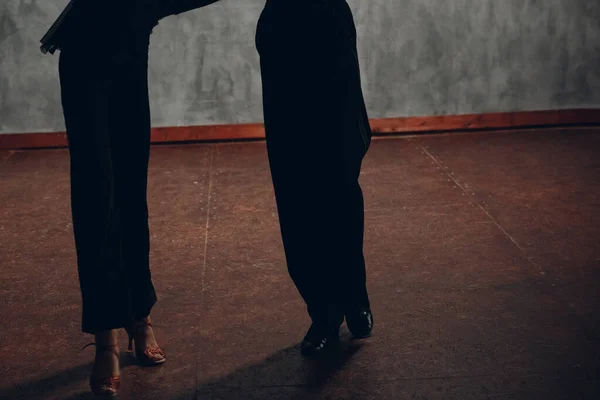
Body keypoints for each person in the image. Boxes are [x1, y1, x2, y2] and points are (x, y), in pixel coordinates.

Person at [40, 0, 220, 396]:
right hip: (83, 51)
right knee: (95, 194)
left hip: (131, 48)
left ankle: (140, 313)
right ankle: (106, 338)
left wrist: (150, 9)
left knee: (130, 193)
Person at [255, 0, 374, 357]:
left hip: (328, 28)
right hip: (283, 33)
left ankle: (353, 296)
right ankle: (323, 314)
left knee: (340, 183)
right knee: (296, 191)